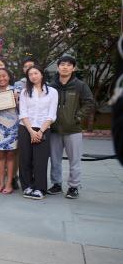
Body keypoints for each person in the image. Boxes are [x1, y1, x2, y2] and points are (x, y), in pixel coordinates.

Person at [48, 55, 95, 199]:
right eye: (62, 64)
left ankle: (73, 186)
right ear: (58, 67)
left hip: (73, 130)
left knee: (74, 160)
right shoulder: (51, 86)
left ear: (73, 68)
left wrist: (78, 117)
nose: (65, 67)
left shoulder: (80, 85)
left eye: (69, 65)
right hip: (54, 130)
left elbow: (89, 103)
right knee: (55, 160)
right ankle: (56, 184)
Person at [19, 66, 58, 200]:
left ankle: (40, 188)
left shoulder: (52, 92)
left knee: (40, 160)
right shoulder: (24, 92)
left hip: (43, 128)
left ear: (41, 74)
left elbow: (51, 115)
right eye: (30, 74)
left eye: (36, 73)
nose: (33, 76)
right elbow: (23, 113)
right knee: (25, 159)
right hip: (26, 128)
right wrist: (31, 131)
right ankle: (27, 186)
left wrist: (40, 131)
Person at [0, 68, 20, 194]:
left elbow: (22, 109)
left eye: (4, 76)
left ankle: (9, 184)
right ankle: (1, 183)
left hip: (12, 127)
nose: (1, 78)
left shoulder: (16, 90)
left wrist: (17, 100)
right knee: (0, 156)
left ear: (9, 76)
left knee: (11, 156)